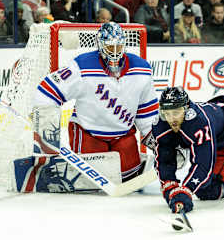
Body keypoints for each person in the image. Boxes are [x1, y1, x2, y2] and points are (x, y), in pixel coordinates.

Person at [33, 22, 158, 182]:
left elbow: (146, 114)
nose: (114, 53)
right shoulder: (82, 66)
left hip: (122, 135)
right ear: (100, 45)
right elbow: (47, 90)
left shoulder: (142, 70)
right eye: (109, 47)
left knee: (129, 177)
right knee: (89, 180)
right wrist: (46, 134)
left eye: (118, 47)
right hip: (88, 133)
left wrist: (160, 145)